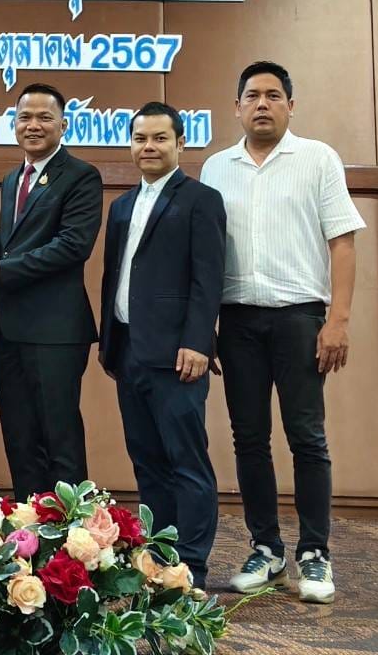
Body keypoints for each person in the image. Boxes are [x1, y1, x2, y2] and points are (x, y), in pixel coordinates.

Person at [200, 61, 365, 605]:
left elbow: (343, 242)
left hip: (300, 319)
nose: (262, 104)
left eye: (274, 95)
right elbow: (203, 256)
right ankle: (266, 549)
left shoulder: (317, 158)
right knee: (248, 439)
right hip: (237, 322)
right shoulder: (216, 167)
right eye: (252, 96)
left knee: (307, 438)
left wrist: (337, 321)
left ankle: (314, 552)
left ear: (290, 106)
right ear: (237, 107)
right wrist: (204, 327)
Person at [98, 101, 226, 591]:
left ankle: (192, 566)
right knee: (147, 462)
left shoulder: (201, 200)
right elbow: (115, 276)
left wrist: (198, 341)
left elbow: (208, 279)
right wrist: (111, 345)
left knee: (187, 463)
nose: (148, 147)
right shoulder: (121, 206)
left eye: (159, 138)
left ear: (180, 144)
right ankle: (158, 556)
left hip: (179, 356)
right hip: (129, 351)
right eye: (140, 139)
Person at [0, 82, 103, 501]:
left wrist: (0, 269)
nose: (33, 125)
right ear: (14, 123)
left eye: (44, 117)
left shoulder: (81, 176)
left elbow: (71, 246)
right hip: (10, 326)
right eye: (25, 117)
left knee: (59, 438)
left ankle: (73, 533)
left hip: (55, 330)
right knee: (20, 438)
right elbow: (18, 245)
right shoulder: (12, 179)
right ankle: (29, 528)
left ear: (64, 125)